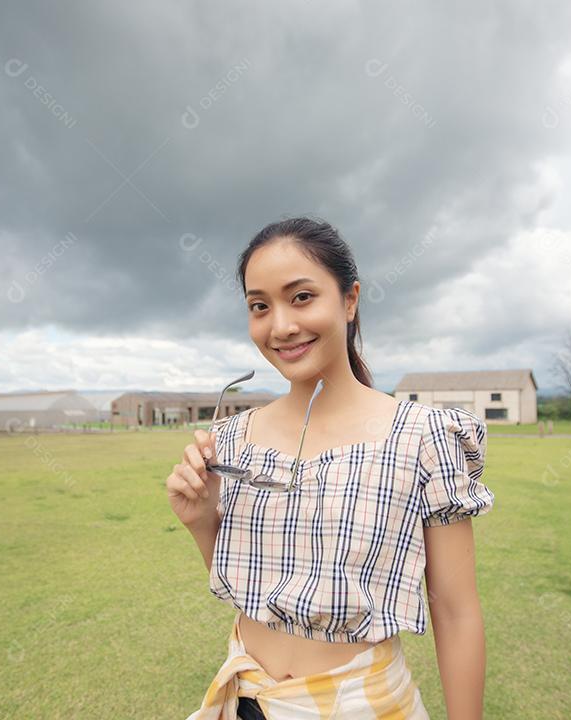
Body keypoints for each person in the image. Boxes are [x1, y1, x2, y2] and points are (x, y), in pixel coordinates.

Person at [168, 217, 494, 719]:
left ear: (349, 300)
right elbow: (253, 587)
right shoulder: (230, 439)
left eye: (301, 297)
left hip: (363, 705)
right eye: (260, 306)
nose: (280, 326)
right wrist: (201, 521)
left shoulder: (422, 438)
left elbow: (455, 611)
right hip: (246, 701)